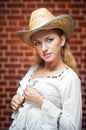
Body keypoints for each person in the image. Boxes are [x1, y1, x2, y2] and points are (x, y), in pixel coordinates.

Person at [9, 8, 82, 130]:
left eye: (49, 39)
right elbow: (23, 98)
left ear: (62, 40)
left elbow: (73, 127)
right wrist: (17, 100)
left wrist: (41, 102)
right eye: (37, 43)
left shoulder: (69, 78)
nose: (44, 48)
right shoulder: (33, 69)